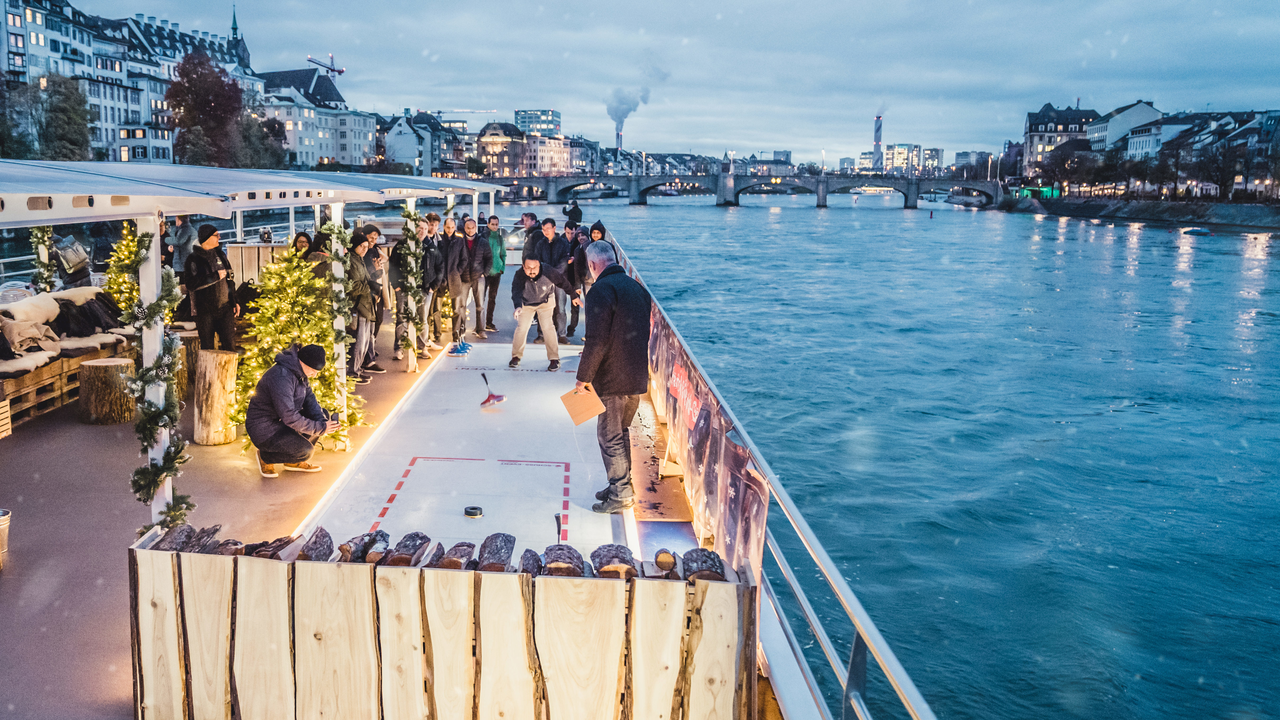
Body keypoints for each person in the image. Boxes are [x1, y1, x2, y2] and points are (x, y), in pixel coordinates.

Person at [575, 241, 651, 513]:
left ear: (593, 265)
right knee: (621, 433)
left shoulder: (600, 290)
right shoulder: (637, 288)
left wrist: (583, 377)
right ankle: (621, 484)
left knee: (609, 437)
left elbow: (596, 340)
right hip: (636, 375)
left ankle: (620, 493)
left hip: (611, 378)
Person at [246, 343, 340, 478]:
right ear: (303, 362)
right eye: (313, 370)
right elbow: (289, 416)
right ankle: (265, 456)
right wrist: (320, 427)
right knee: (305, 451)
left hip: (280, 422)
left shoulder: (300, 373)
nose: (315, 375)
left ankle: (292, 462)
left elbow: (310, 399)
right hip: (264, 429)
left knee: (322, 415)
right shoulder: (281, 377)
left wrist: (322, 422)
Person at [509, 258, 579, 371]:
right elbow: (516, 290)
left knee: (548, 327)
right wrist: (517, 306)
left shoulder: (548, 271)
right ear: (523, 267)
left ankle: (554, 358)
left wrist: (573, 296)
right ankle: (516, 356)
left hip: (546, 301)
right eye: (528, 268)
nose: (531, 271)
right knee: (522, 328)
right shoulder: (519, 274)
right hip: (526, 303)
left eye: (534, 268)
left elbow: (562, 281)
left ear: (539, 266)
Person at [184, 225, 239, 351]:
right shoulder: (193, 259)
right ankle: (208, 371)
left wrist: (235, 301)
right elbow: (191, 284)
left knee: (230, 346)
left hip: (225, 308)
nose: (219, 237)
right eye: (216, 235)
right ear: (206, 238)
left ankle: (230, 371)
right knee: (207, 347)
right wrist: (214, 277)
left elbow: (230, 279)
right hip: (205, 310)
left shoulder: (220, 255)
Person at [445, 217, 492, 345]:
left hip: (478, 277)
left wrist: (484, 273)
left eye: (472, 228)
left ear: (475, 228)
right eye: (468, 228)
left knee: (480, 305)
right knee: (460, 306)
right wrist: (458, 273)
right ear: (464, 228)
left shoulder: (482, 242)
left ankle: (480, 329)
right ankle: (460, 330)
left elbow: (489, 258)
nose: (470, 230)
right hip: (463, 278)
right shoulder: (459, 242)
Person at [346, 233, 376, 384]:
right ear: (354, 246)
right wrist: (369, 286)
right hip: (358, 306)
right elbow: (353, 286)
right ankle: (352, 372)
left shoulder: (360, 260)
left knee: (363, 341)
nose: (364, 249)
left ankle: (357, 369)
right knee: (359, 340)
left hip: (365, 304)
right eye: (361, 246)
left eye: (366, 246)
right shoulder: (352, 261)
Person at [360, 225, 388, 373]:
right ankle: (367, 359)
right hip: (369, 292)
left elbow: (385, 258)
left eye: (375, 238)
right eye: (371, 237)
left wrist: (375, 246)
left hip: (376, 290)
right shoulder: (362, 254)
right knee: (368, 326)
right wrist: (376, 271)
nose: (373, 240)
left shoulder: (372, 250)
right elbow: (369, 274)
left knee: (377, 321)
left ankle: (369, 351)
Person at [419, 213, 446, 350]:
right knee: (424, 314)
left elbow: (441, 264)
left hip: (434, 283)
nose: (432, 228)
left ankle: (433, 336)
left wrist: (437, 283)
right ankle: (425, 340)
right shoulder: (423, 242)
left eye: (435, 225)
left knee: (434, 310)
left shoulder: (438, 241)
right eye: (431, 224)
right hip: (423, 283)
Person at [481, 214, 505, 333]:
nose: (495, 227)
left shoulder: (500, 238)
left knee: (492, 298)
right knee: (481, 299)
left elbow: (503, 253)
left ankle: (489, 322)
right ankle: (480, 324)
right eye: (493, 224)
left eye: (496, 224)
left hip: (496, 272)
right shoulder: (483, 237)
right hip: (485, 273)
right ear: (488, 224)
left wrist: (502, 267)